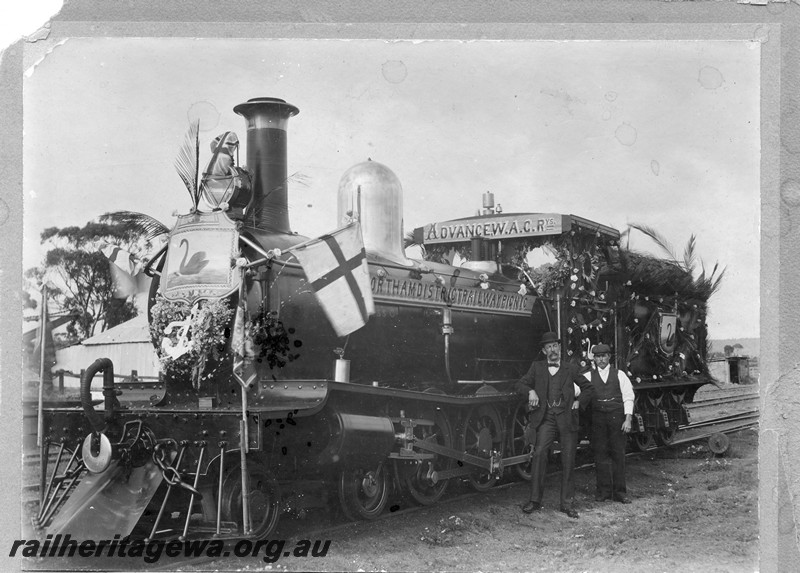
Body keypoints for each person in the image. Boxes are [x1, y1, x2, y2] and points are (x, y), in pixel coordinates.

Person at [516, 332, 594, 518]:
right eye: (549, 347)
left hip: (567, 418)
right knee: (539, 453)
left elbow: (589, 388)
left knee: (568, 459)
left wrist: (579, 402)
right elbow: (519, 385)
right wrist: (530, 391)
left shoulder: (571, 368)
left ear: (560, 348)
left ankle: (567, 504)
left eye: (555, 346)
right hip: (547, 419)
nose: (553, 350)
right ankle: (535, 500)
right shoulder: (537, 367)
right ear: (544, 351)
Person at [584, 343, 635, 504]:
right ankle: (603, 492)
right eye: (598, 357)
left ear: (609, 357)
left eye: (603, 356)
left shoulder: (619, 375)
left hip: (616, 418)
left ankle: (620, 492)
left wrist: (628, 419)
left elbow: (628, 397)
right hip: (598, 419)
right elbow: (576, 389)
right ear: (594, 359)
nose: (601, 359)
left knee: (618, 454)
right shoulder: (588, 376)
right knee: (600, 454)